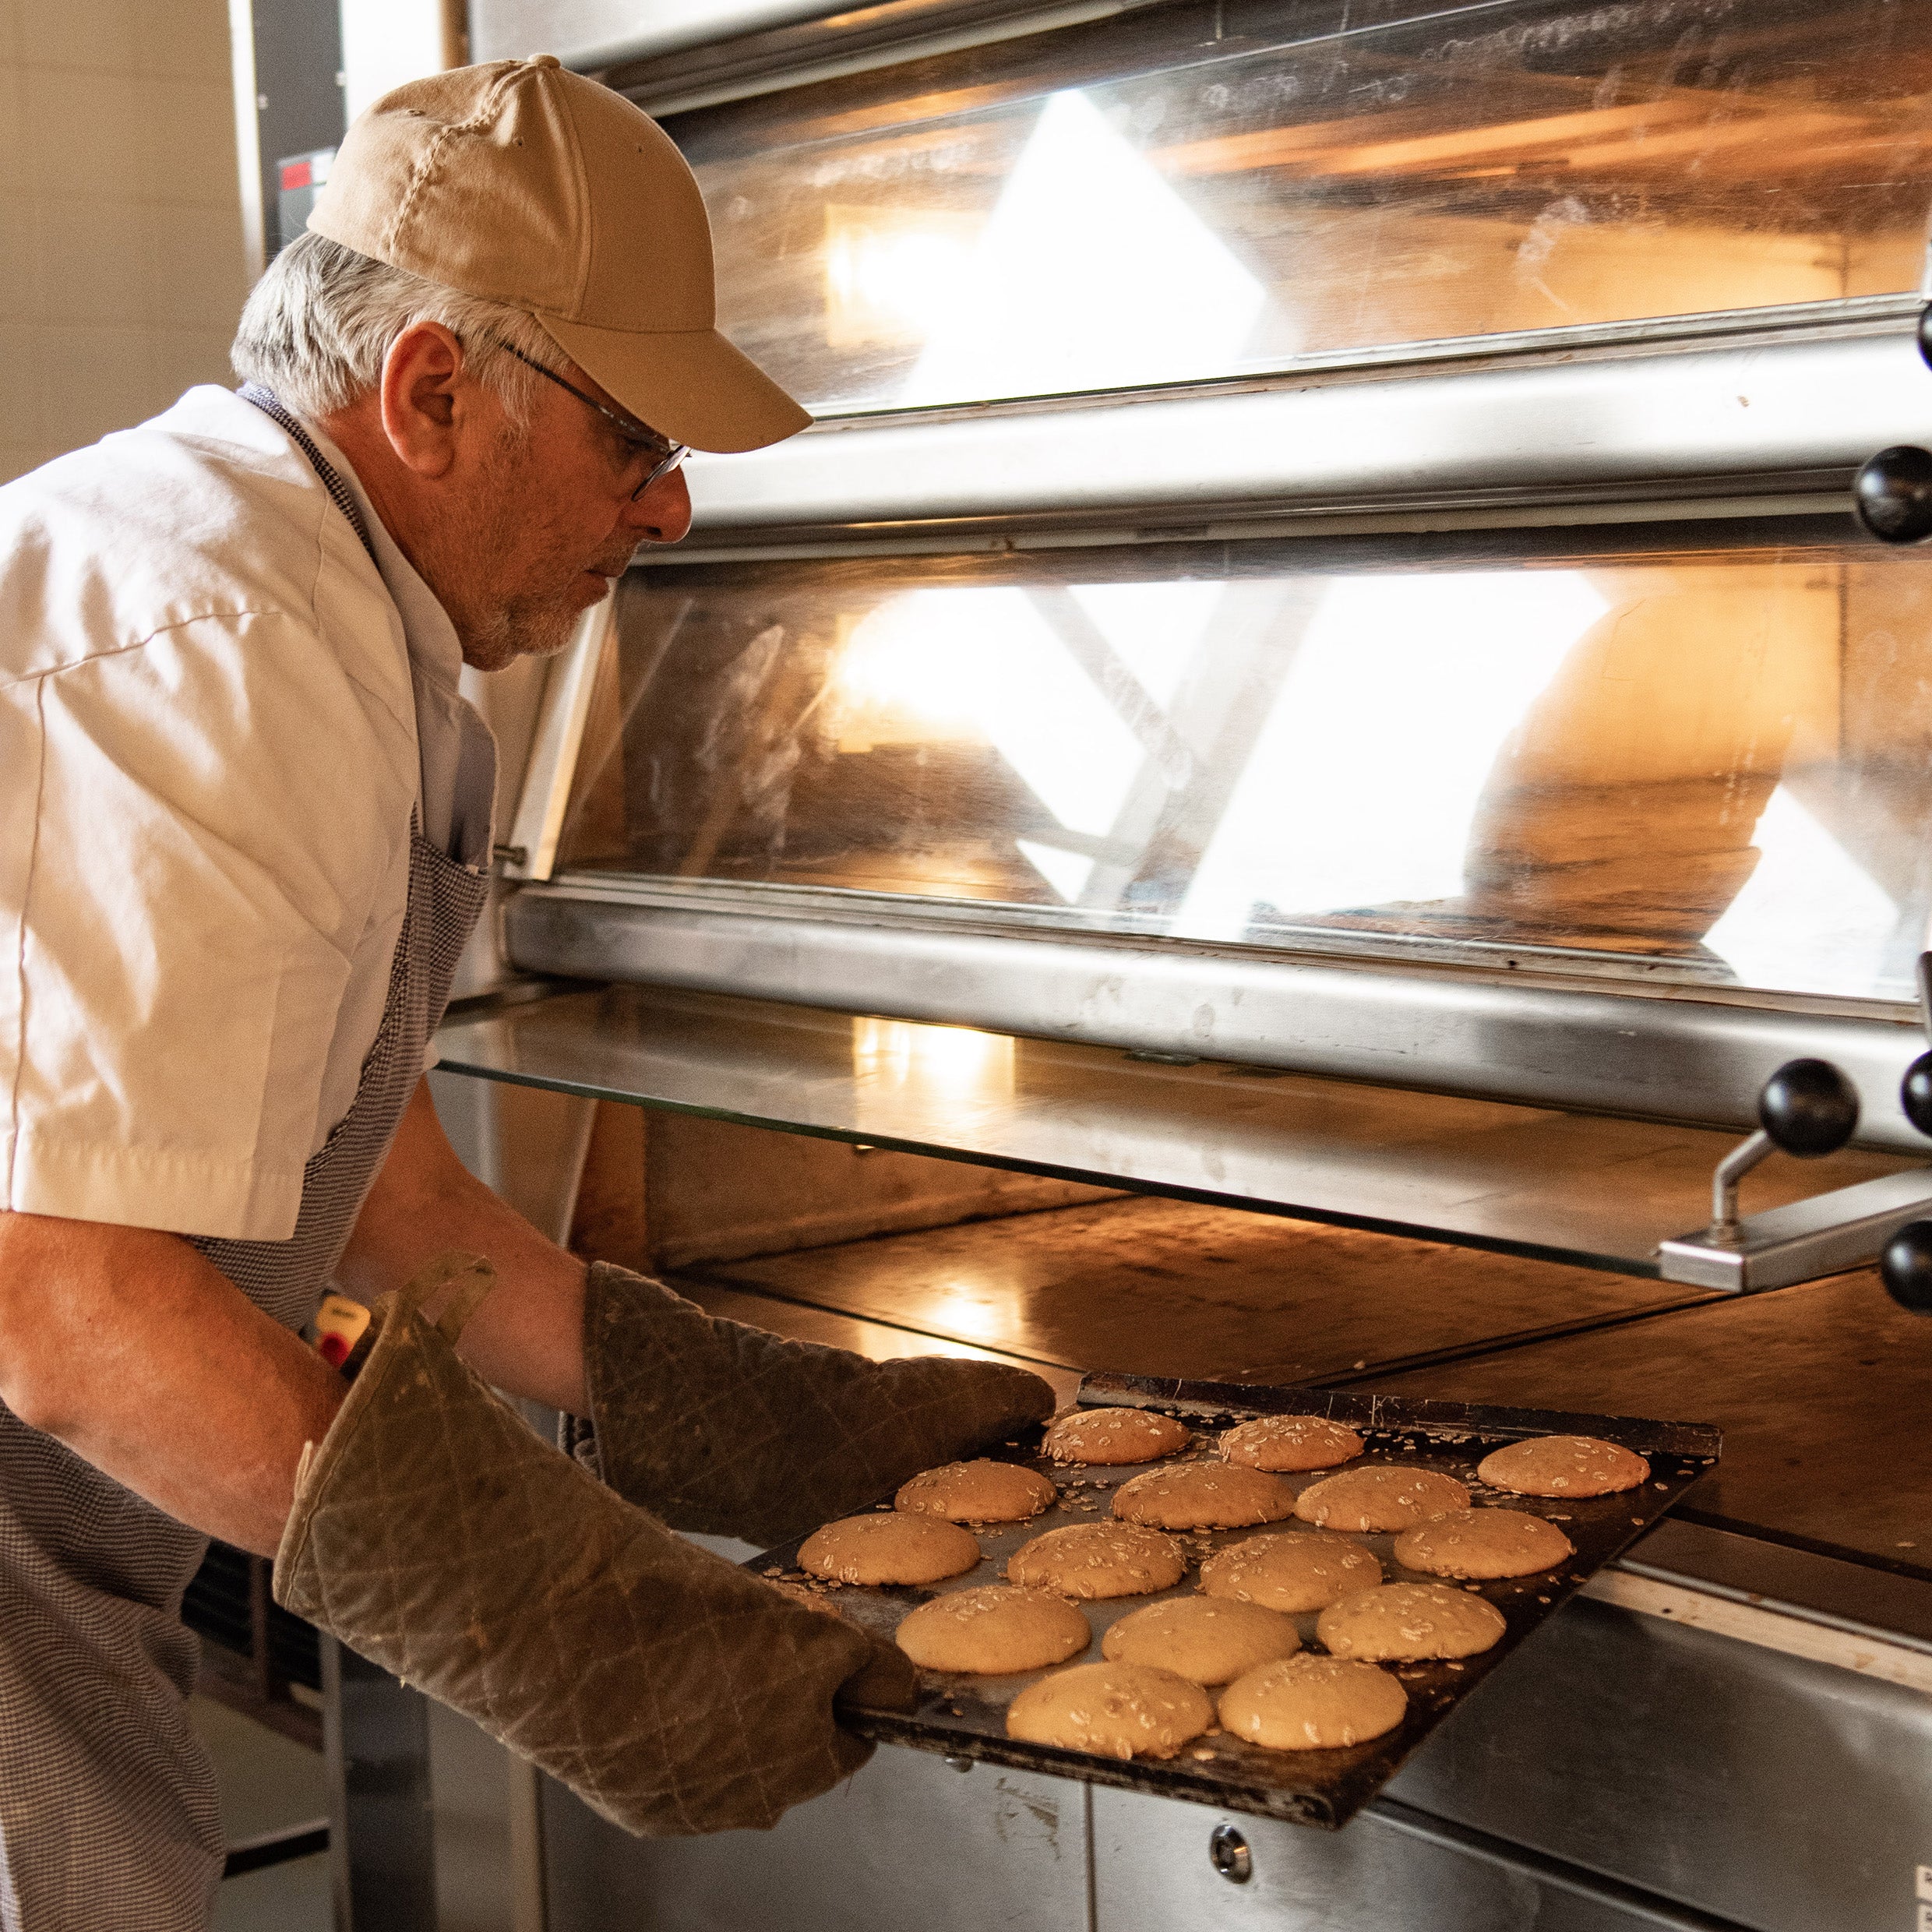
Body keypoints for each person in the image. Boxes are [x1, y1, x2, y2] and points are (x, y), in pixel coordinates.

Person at [0, 55, 1052, 1930]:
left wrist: (752, 1416)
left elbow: (392, 1213)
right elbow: (74, 1305)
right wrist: (589, 1642)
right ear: (428, 389)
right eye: (635, 441)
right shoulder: (225, 640)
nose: (668, 513)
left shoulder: (344, 624)